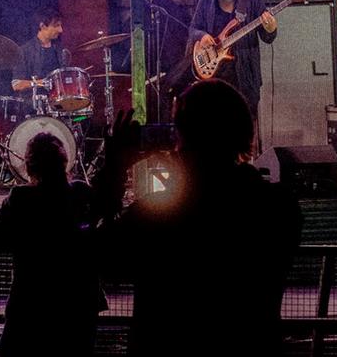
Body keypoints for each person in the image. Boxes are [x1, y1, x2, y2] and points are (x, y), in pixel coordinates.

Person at [95, 80, 302, 356]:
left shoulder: (155, 213)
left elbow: (103, 258)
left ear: (182, 138)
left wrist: (114, 171)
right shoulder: (279, 206)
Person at [0, 131, 103, 356]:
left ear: (29, 166)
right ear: (64, 162)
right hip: (79, 300)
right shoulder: (81, 193)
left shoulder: (21, 198)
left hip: (30, 302)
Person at [185, 0, 276, 153]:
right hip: (216, 76)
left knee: (246, 126)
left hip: (246, 77)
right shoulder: (206, 2)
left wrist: (271, 28)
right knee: (215, 127)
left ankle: (246, 162)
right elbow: (193, 29)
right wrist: (202, 36)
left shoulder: (253, 3)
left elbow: (268, 38)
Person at [10, 8, 65, 95]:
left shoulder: (59, 48)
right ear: (42, 26)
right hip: (35, 100)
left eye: (60, 25)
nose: (60, 30)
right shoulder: (25, 51)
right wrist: (42, 83)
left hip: (59, 98)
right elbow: (16, 84)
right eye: (56, 26)